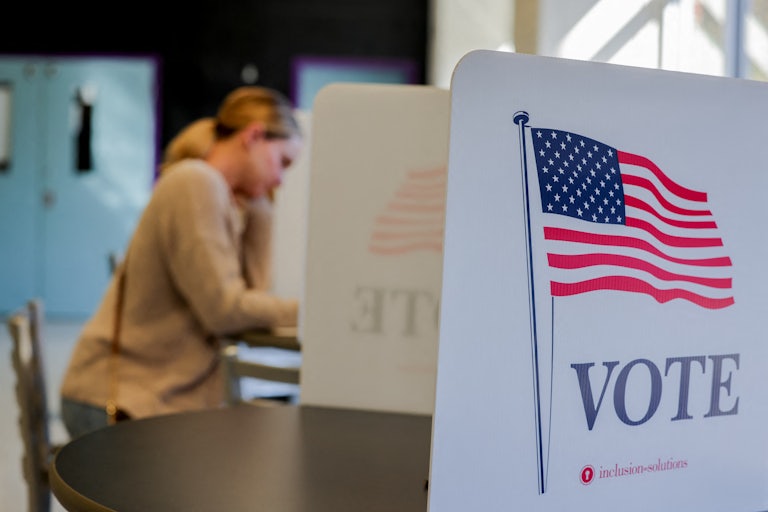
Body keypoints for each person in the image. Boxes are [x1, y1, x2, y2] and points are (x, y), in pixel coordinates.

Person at [59, 86, 303, 438]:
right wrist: (308, 313)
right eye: (283, 161)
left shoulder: (220, 195)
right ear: (254, 135)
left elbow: (250, 294)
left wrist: (261, 207)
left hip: (156, 396)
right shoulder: (195, 182)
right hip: (121, 399)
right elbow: (225, 311)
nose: (280, 179)